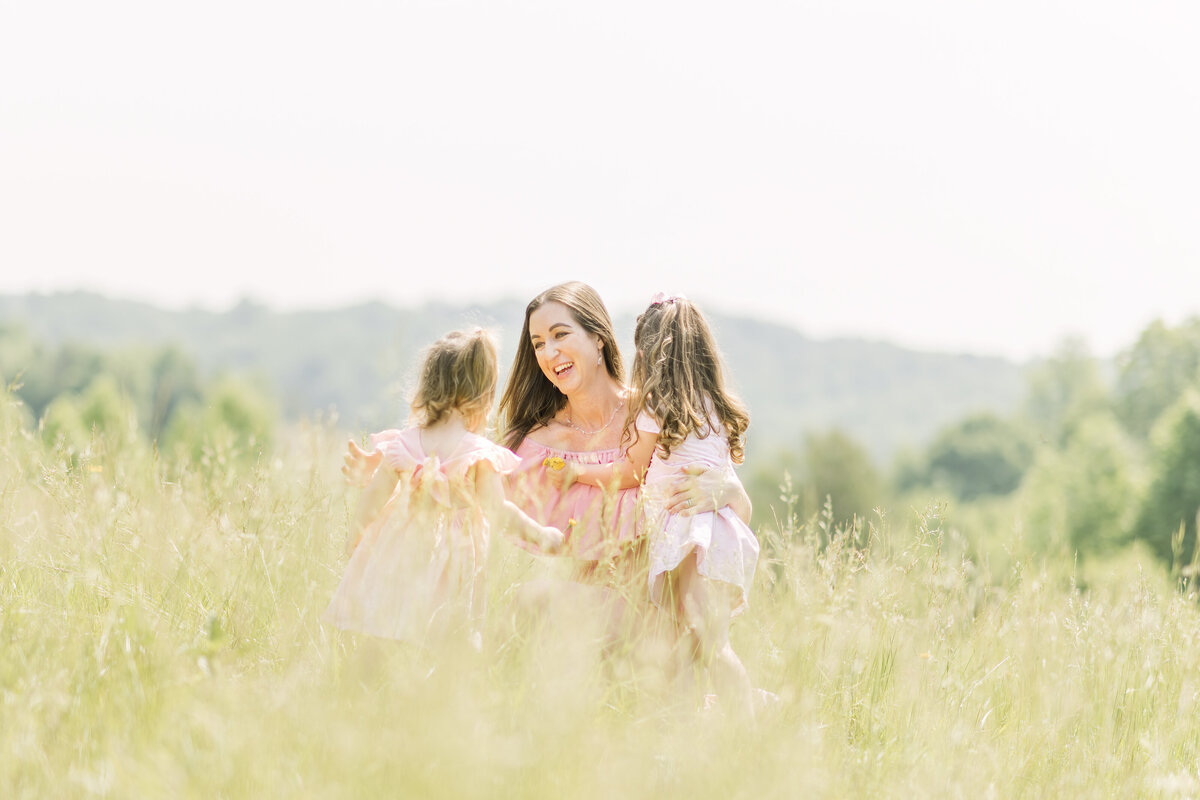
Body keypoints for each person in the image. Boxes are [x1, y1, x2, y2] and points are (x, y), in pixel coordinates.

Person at [555, 293, 758, 716]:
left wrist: (577, 472)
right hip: (719, 535)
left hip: (687, 536)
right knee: (697, 642)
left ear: (647, 354)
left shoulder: (656, 408)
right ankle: (699, 724)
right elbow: (738, 503)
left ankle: (748, 723)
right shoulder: (714, 410)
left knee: (705, 643)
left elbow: (631, 469)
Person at [325, 328, 564, 651]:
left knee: (385, 623)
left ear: (426, 387)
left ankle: (372, 687)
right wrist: (540, 534)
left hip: (395, 549)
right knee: (443, 635)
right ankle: (436, 690)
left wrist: (356, 537)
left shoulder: (403, 443)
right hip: (453, 556)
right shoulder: (477, 453)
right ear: (483, 396)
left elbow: (374, 496)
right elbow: (498, 510)